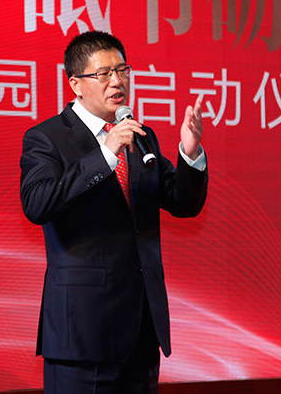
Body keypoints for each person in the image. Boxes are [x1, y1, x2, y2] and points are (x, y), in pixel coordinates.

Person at [19, 30, 208, 393]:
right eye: (104, 73)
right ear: (75, 84)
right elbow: (37, 203)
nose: (117, 81)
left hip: (141, 329)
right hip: (82, 333)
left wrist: (190, 153)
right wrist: (106, 153)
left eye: (122, 70)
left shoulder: (140, 136)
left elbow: (183, 203)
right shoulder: (47, 137)